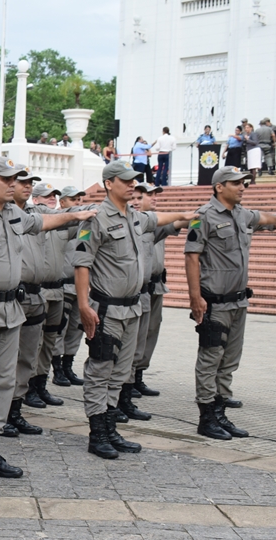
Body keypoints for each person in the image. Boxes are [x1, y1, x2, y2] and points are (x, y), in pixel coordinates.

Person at [0, 159, 95, 483]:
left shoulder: (14, 214)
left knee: (3, 382)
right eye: (6, 178)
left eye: (15, 178)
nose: (12, 183)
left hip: (11, 311)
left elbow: (43, 223)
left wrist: (76, 215)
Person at [73, 162, 192, 459]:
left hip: (133, 308)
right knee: (100, 370)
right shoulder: (96, 219)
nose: (132, 186)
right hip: (106, 309)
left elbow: (158, 218)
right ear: (109, 183)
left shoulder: (135, 218)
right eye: (125, 181)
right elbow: (82, 263)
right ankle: (97, 432)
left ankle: (110, 427)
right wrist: (84, 305)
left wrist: (184, 214)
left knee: (120, 373)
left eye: (134, 181)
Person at [186, 166, 276, 439]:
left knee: (229, 361)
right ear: (219, 187)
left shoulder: (243, 214)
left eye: (244, 183)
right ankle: (206, 417)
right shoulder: (203, 216)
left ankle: (220, 414)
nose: (243, 187)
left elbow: (265, 218)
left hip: (238, 303)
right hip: (214, 303)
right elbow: (192, 257)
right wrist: (195, 298)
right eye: (236, 183)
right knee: (210, 359)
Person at [9, 182, 69, 437]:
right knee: (5, 361)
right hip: (10, 297)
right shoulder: (0, 214)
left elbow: (68, 215)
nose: (26, 186)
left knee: (26, 359)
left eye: (28, 183)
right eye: (20, 181)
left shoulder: (36, 215)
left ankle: (14, 411)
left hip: (35, 295)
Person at [130, 183, 187, 403]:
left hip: (156, 285)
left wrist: (194, 215)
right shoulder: (132, 222)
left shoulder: (156, 221)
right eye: (148, 195)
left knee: (151, 331)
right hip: (137, 288)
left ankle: (139, 374)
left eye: (155, 194)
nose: (154, 198)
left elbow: (177, 223)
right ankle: (129, 377)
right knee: (136, 335)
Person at [52, 186, 88, 387]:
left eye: (79, 199)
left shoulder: (83, 225)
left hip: (79, 286)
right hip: (63, 285)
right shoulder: (58, 223)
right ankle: (57, 369)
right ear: (62, 202)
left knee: (76, 329)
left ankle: (68, 366)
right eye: (73, 199)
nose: (77, 203)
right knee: (60, 330)